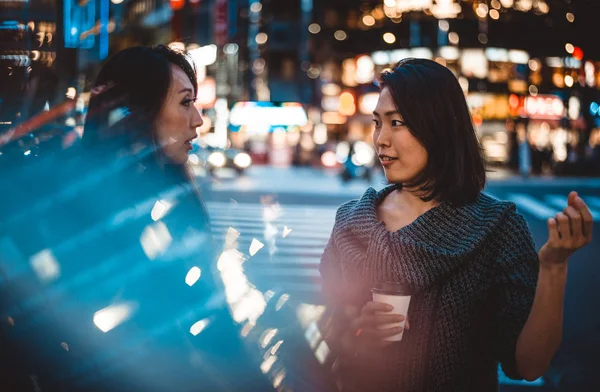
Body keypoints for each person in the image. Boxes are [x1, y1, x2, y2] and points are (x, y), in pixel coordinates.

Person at [0, 45, 271, 391]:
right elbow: (205, 330)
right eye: (185, 102)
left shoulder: (161, 195)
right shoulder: (111, 205)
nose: (198, 120)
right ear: (141, 112)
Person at [319, 58, 594, 392]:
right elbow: (330, 327)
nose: (381, 139)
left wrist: (553, 267)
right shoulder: (352, 222)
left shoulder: (498, 230)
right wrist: (356, 332)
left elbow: (528, 365)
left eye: (397, 123)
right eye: (378, 123)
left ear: (439, 128)